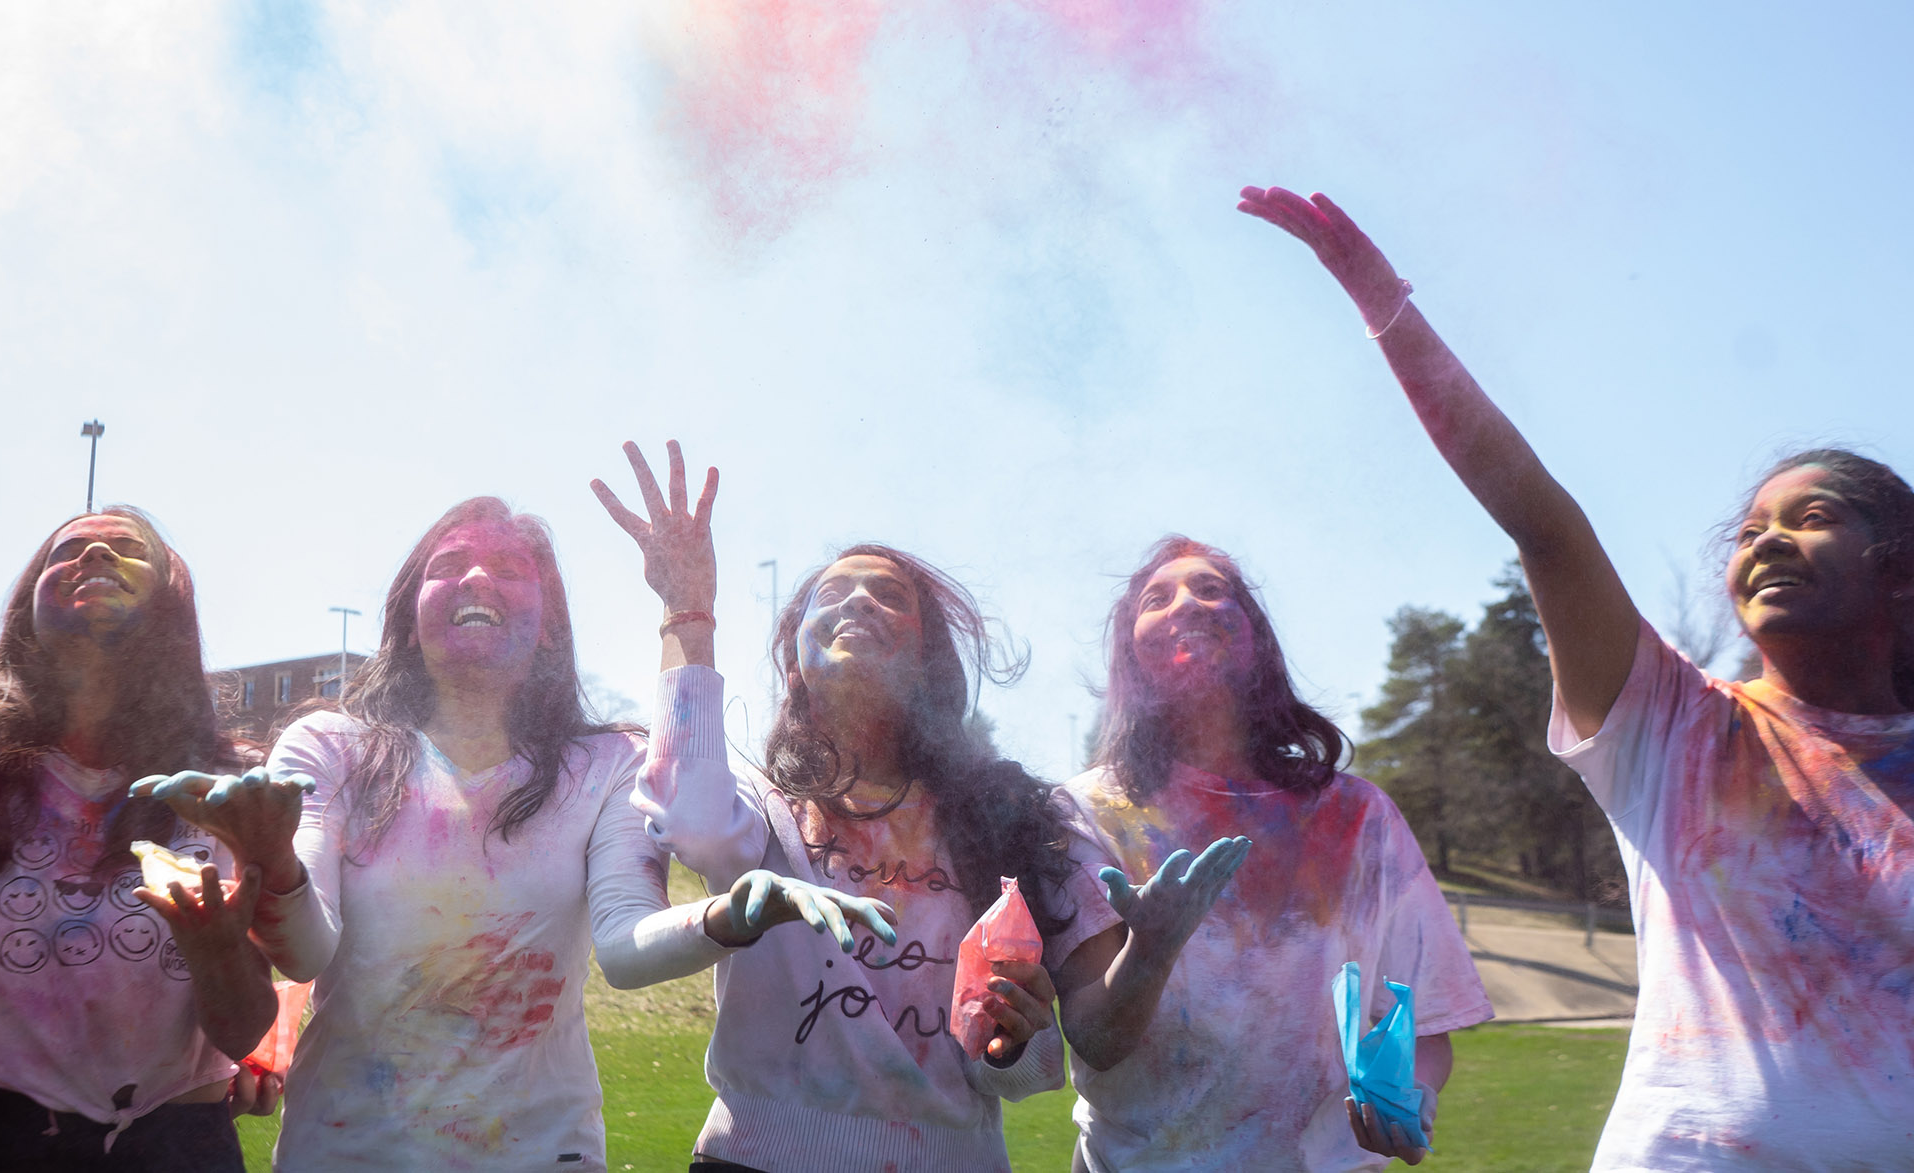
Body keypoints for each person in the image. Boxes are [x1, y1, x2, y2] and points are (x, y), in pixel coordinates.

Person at [1239, 185, 1914, 1169]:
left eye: (1810, 517)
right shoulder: (1675, 726)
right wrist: (1384, 305)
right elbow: (1541, 524)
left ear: (1897, 572)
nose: (1766, 537)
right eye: (1747, 527)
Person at [135, 495, 889, 1172]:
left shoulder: (605, 763)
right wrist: (269, 857)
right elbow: (307, 949)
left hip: (541, 1152)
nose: (476, 579)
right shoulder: (331, 746)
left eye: (510, 568)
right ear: (410, 610)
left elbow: (625, 947)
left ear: (548, 625)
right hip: (348, 1148)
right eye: (449, 564)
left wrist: (730, 911)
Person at [595, 441, 1241, 1173]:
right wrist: (689, 609)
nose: (860, 601)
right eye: (830, 596)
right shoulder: (763, 809)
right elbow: (689, 814)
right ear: (796, 666)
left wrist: (1023, 1031)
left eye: (891, 595)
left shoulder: (1018, 820)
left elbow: (1060, 1052)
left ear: (931, 660)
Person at [1059, 536, 1491, 1172]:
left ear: (1255, 640)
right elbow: (1095, 1037)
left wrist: (1412, 1096)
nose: (1187, 604)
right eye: (1158, 598)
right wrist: (1149, 950)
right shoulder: (1088, 812)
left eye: (1212, 589)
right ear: (1130, 654)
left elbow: (1425, 1026)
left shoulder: (1359, 817)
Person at [0, 509, 275, 1171]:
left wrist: (218, 948)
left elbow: (244, 1029)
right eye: (70, 549)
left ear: (173, 601)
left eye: (124, 548)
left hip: (177, 1139)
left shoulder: (229, 785)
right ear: (27, 608)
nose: (95, 556)